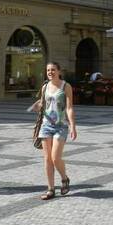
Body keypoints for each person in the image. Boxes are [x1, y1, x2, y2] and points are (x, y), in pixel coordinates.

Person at [36, 62, 77, 200]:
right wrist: (39, 105)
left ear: (59, 71)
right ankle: (50, 189)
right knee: (47, 159)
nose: (50, 72)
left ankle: (64, 178)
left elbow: (69, 108)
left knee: (55, 158)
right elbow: (44, 104)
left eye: (53, 70)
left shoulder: (66, 86)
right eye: (48, 70)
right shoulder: (44, 87)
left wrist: (73, 126)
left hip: (61, 126)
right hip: (46, 125)